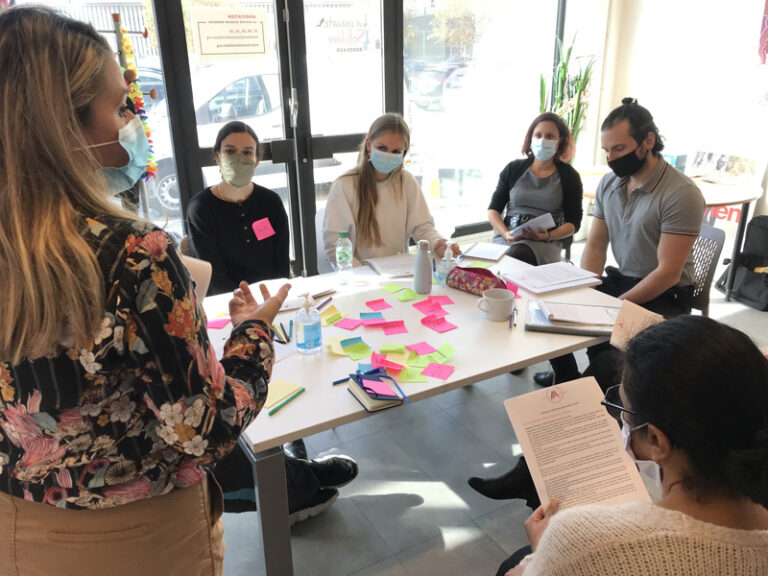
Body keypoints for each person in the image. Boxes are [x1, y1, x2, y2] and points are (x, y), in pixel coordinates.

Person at [0, 7, 340, 575]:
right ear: (63, 127)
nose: (133, 123)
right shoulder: (135, 252)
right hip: (138, 534)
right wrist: (252, 334)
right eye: (119, 108)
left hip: (19, 525)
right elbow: (205, 426)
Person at [469, 98, 705, 504]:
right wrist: (580, 288)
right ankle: (568, 383)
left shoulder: (680, 193)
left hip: (663, 299)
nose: (612, 158)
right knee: (548, 317)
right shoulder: (612, 184)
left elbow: (667, 272)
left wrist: (613, 308)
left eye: (620, 149)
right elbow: (595, 245)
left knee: (606, 370)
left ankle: (534, 472)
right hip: (621, 283)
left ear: (648, 142)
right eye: (607, 150)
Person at [495, 316, 768, 576]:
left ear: (656, 441)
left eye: (623, 408)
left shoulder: (579, 538)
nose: (621, 420)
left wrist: (541, 554)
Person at [322, 113, 461, 265]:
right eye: (382, 148)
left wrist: (439, 244)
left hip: (398, 271)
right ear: (368, 145)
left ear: (403, 153)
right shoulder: (345, 186)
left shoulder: (406, 182)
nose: (388, 155)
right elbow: (335, 247)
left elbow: (422, 227)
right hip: (359, 272)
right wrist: (362, 272)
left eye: (396, 152)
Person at [187, 121, 290, 295]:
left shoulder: (271, 202)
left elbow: (282, 266)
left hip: (271, 297)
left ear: (256, 161)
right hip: (227, 301)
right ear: (217, 157)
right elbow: (214, 278)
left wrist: (276, 298)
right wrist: (245, 303)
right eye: (230, 151)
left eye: (247, 152)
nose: (238, 159)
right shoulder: (200, 208)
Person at [487, 112, 583, 266]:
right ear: (531, 137)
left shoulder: (569, 176)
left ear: (560, 140)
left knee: (517, 255)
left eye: (550, 136)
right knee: (507, 256)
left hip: (544, 242)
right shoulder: (513, 169)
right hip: (508, 236)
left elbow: (573, 223)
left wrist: (548, 236)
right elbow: (493, 210)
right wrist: (506, 234)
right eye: (538, 135)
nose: (543, 140)